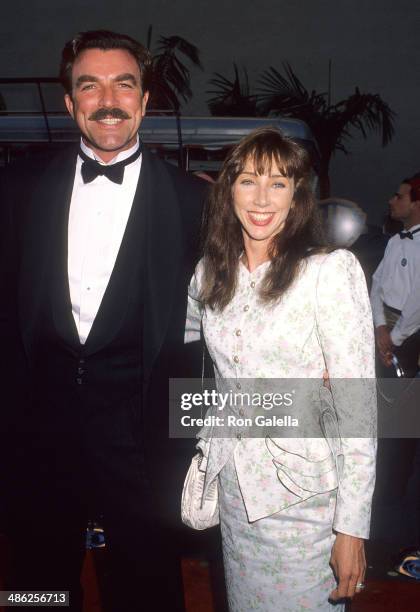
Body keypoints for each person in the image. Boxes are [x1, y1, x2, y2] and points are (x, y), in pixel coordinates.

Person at [0, 30, 205, 611]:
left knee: (148, 582)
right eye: (90, 86)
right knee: (34, 581)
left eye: (124, 84)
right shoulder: (14, 190)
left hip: (144, 433)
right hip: (37, 427)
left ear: (144, 101)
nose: (107, 99)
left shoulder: (196, 203)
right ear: (70, 103)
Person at [185, 127, 377, 611]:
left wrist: (351, 527)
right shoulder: (210, 274)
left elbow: (358, 408)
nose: (262, 198)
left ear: (297, 196)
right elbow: (183, 343)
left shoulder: (327, 273)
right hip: (233, 491)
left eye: (279, 183)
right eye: (249, 181)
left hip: (305, 501)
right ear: (228, 190)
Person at [371, 175, 420, 376]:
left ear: (417, 204)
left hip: (408, 337)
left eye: (399, 197)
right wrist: (380, 326)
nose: (391, 201)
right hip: (383, 332)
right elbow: (376, 284)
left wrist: (393, 339)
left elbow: (417, 303)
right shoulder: (394, 242)